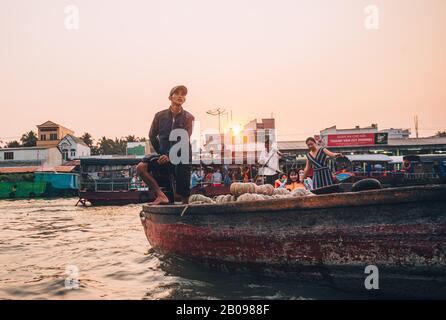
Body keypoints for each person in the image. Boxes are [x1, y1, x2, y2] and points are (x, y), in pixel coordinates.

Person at [136, 85, 194, 205]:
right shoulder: (159, 116)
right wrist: (162, 154)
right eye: (177, 93)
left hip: (181, 157)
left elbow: (184, 139)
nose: (180, 96)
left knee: (184, 194)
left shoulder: (189, 117)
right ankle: (161, 196)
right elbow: (152, 135)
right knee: (141, 167)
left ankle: (186, 208)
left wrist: (169, 155)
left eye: (183, 94)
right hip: (164, 156)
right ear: (170, 97)